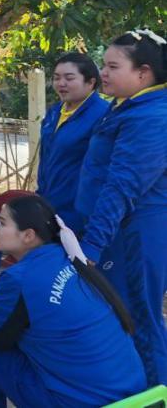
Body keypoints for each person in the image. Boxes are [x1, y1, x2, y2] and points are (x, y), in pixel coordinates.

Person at [0, 195, 146, 408]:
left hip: (82, 403)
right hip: (133, 394)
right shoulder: (68, 257)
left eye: (2, 223)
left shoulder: (20, 277)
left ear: (28, 235)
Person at [76, 28, 167, 386]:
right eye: (104, 65)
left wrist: (92, 245)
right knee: (119, 317)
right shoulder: (129, 106)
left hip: (134, 236)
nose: (103, 73)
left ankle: (156, 395)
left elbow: (122, 187)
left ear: (143, 73)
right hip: (120, 233)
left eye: (113, 67)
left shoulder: (151, 117)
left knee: (139, 321)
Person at [36, 52, 109, 233]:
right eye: (56, 78)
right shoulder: (54, 112)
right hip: (48, 204)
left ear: (90, 82)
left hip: (79, 212)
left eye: (69, 78)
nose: (61, 83)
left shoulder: (103, 115)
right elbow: (46, 158)